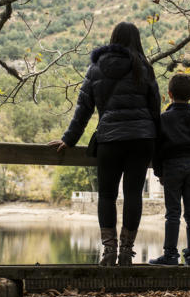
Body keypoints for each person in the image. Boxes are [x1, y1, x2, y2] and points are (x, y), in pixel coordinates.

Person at [48, 22, 160, 267]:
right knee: (133, 195)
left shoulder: (96, 68)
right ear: (136, 40)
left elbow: (84, 108)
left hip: (110, 139)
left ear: (113, 39)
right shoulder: (143, 67)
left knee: (107, 196)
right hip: (142, 140)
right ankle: (126, 252)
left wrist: (69, 139)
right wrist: (157, 141)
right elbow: (155, 108)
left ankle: (109, 252)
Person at [149, 73, 190, 266]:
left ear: (169, 94)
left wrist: (160, 172)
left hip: (171, 166)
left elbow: (156, 150)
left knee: (173, 212)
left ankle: (170, 254)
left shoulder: (162, 120)